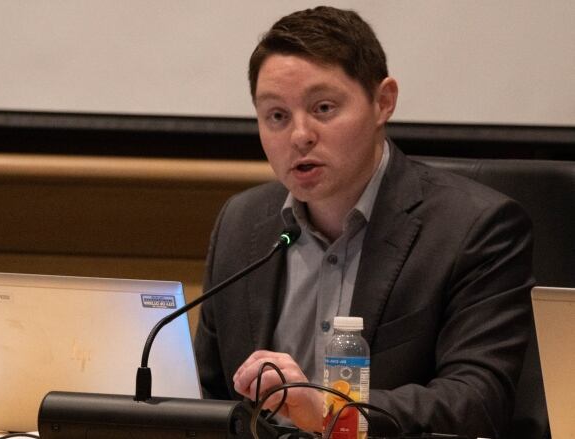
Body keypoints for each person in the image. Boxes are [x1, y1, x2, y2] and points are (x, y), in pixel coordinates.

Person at [194, 6, 534, 438]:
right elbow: (205, 395)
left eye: (323, 108)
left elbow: (476, 402)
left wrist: (329, 412)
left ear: (383, 102)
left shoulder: (475, 229)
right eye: (277, 116)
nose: (299, 135)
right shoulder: (242, 224)